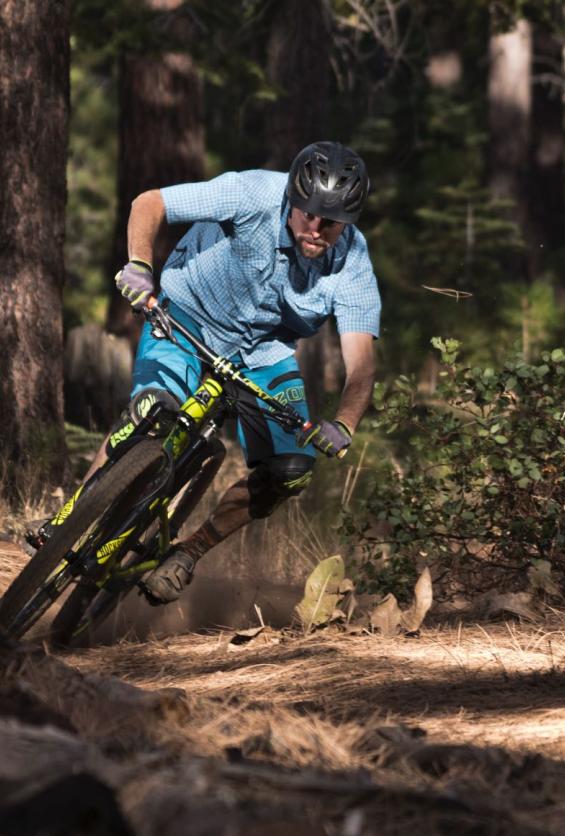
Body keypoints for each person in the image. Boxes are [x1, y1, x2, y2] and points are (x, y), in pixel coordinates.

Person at [103, 141, 380, 604]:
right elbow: (149, 203)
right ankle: (73, 519)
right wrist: (139, 265)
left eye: (330, 223)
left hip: (263, 352)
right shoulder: (251, 192)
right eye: (307, 214)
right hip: (186, 314)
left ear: (347, 223)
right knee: (153, 411)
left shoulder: (353, 265)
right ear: (292, 198)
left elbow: (362, 364)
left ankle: (186, 554)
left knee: (291, 470)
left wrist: (345, 423)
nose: (316, 229)